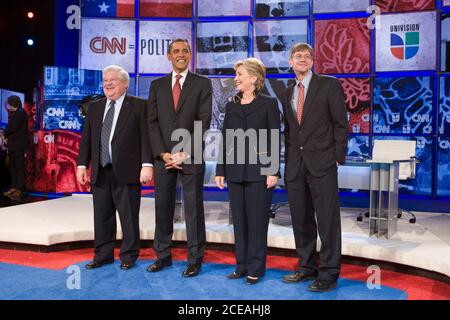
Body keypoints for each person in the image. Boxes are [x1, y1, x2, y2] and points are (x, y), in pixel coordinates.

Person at [281, 43, 348, 292]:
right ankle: (306, 267)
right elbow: (290, 131)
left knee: (328, 220)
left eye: (307, 56)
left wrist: (337, 157)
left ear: (312, 61)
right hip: (296, 167)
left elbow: (341, 123)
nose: (302, 59)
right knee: (301, 219)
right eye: (297, 56)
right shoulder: (288, 90)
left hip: (323, 164)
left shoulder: (328, 85)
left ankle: (329, 273)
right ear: (290, 62)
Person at [77, 65, 154, 270]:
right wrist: (82, 165)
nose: (108, 83)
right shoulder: (95, 107)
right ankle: (102, 255)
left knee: (129, 217)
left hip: (128, 171)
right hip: (101, 171)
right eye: (105, 80)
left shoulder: (139, 105)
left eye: (113, 80)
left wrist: (147, 164)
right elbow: (87, 140)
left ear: (125, 84)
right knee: (102, 216)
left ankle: (128, 256)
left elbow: (146, 138)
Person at [147, 39, 212, 277]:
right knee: (162, 208)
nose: (181, 54)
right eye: (176, 51)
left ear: (191, 55)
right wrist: (163, 153)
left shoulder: (202, 84)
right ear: (168, 56)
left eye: (185, 51)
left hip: (190, 156)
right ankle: (162, 256)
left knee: (193, 209)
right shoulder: (157, 85)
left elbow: (203, 121)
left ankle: (195, 259)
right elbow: (152, 123)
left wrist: (185, 152)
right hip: (163, 157)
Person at [215, 58, 281, 285]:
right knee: (240, 222)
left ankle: (256, 267)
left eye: (240, 74)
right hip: (235, 172)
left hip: (259, 173)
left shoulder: (269, 104)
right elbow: (226, 139)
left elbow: (273, 137)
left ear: (253, 78)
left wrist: (273, 170)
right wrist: (220, 169)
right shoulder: (232, 104)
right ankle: (241, 265)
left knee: (257, 223)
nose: (236, 78)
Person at [3, 95, 28, 201]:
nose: (7, 106)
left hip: (18, 145)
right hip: (13, 145)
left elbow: (13, 127)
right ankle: (14, 187)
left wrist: (4, 133)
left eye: (8, 103)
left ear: (13, 103)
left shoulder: (21, 112)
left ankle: (19, 189)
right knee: (13, 167)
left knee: (19, 168)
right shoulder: (16, 113)